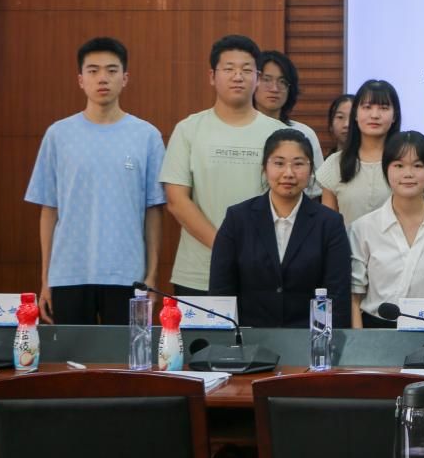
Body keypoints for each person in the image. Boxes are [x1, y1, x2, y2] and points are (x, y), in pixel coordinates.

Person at [25, 37, 166, 325]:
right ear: (80, 80)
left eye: (112, 70)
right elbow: (49, 210)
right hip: (69, 274)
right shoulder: (58, 134)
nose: (103, 78)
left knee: (125, 354)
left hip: (128, 275)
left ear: (125, 78)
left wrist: (152, 276)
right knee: (71, 353)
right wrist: (46, 279)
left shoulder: (147, 135)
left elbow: (154, 210)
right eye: (93, 70)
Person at [161, 34, 282, 295]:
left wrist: (249, 255)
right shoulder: (188, 129)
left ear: (257, 78)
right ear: (212, 76)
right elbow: (176, 200)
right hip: (199, 273)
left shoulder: (277, 134)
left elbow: (286, 199)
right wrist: (225, 248)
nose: (238, 76)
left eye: (246, 70)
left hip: (263, 271)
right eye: (229, 69)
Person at [209, 128, 349, 328]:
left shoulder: (329, 223)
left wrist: (323, 341)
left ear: (311, 170)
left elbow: (337, 295)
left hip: (308, 338)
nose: (288, 173)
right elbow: (221, 289)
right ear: (264, 168)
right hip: (249, 337)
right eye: (279, 163)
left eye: (298, 164)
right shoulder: (238, 219)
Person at [349, 131, 424, 328]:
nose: (408, 174)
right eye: (399, 165)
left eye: (417, 166)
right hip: (376, 332)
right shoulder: (363, 228)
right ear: (386, 170)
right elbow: (354, 296)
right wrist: (360, 342)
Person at [318, 79, 400, 226]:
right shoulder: (335, 164)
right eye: (367, 107)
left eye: (383, 108)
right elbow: (327, 226)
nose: (374, 115)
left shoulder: (405, 162)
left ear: (394, 116)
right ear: (355, 114)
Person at [254, 50, 324, 196]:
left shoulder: (304, 133)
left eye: (282, 82)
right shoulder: (240, 130)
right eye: (266, 80)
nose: (274, 88)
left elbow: (316, 188)